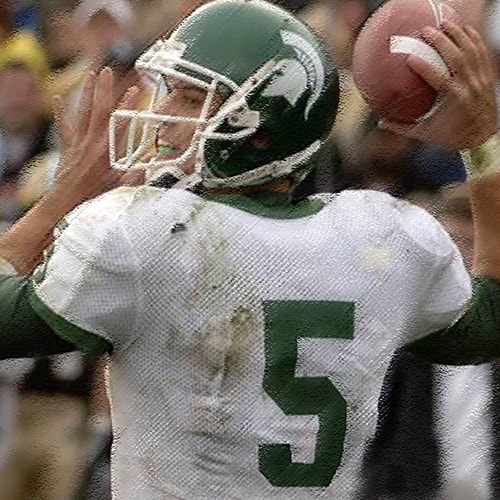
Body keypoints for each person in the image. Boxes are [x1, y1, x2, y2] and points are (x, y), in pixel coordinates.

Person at [0, 0, 498, 498]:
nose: (164, 115)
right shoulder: (383, 237)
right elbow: (486, 324)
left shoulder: (147, 234)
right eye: (171, 92)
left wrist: (61, 198)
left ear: (260, 134)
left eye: (193, 100)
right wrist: (482, 143)